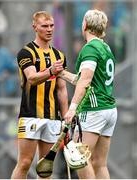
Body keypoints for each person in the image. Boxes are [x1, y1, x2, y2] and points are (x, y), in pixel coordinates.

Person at [59, 9, 117, 179]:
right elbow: (85, 78)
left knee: (79, 159)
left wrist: (72, 109)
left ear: (84, 25)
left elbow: (85, 81)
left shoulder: (90, 48)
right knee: (100, 163)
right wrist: (62, 73)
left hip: (93, 110)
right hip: (109, 110)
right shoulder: (105, 47)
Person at [11, 11, 68, 179]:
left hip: (52, 117)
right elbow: (32, 78)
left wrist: (65, 116)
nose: (49, 29)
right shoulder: (26, 52)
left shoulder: (59, 56)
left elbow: (61, 88)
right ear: (35, 27)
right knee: (24, 163)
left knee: (45, 168)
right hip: (30, 116)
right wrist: (51, 70)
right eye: (44, 26)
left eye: (51, 26)